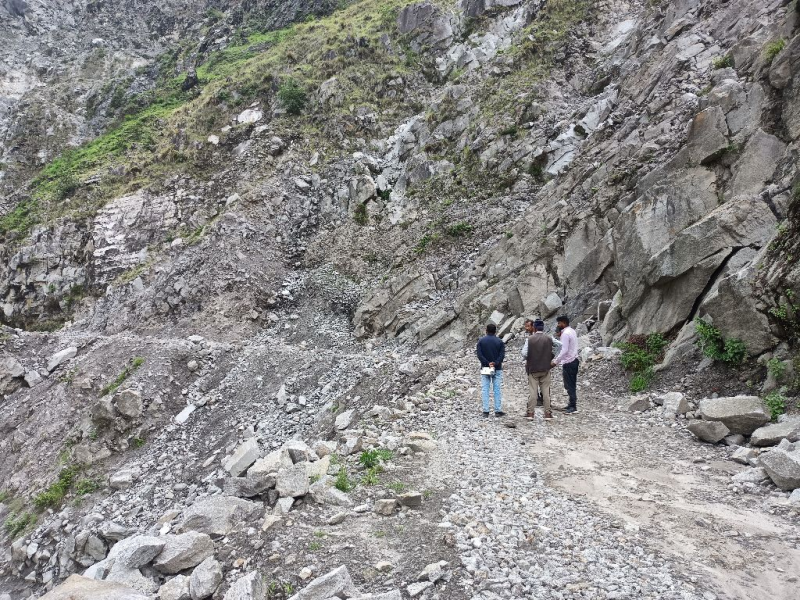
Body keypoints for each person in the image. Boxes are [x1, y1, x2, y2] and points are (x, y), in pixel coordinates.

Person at [525, 319, 554, 420]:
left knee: (533, 391)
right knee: (546, 392)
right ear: (543, 327)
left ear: (535, 327)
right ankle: (548, 414)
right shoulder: (549, 338)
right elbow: (560, 345)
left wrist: (529, 357)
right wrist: (552, 357)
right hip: (545, 368)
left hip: (533, 368)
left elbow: (524, 353)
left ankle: (530, 413)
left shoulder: (529, 339)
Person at [476, 323, 506, 417]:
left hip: (485, 367)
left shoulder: (481, 341)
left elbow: (479, 355)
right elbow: (502, 355)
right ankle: (497, 410)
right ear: (495, 331)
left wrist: (487, 363)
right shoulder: (500, 342)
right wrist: (495, 363)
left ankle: (486, 411)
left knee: (485, 389)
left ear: (486, 330)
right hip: (497, 368)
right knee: (497, 389)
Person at [551, 315, 579, 414]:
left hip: (568, 362)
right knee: (572, 384)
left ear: (563, 323)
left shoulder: (565, 334)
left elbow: (564, 350)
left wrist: (555, 361)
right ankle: (571, 404)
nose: (558, 325)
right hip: (574, 359)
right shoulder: (572, 331)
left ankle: (573, 406)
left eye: (559, 323)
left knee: (569, 385)